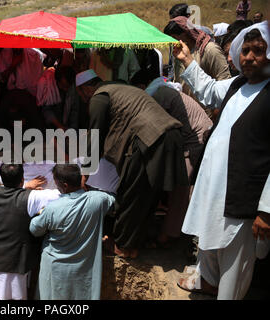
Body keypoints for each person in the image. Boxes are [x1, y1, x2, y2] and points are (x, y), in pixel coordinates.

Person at [173, 22, 270, 299]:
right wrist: (188, 60)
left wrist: (266, 209)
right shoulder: (238, 84)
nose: (249, 57)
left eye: (258, 51)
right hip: (217, 192)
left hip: (245, 201)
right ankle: (208, 282)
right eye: (246, 50)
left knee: (234, 272)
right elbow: (210, 89)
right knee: (210, 244)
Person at [76, 69, 188, 258]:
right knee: (148, 195)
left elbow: (95, 135)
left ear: (86, 89)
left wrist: (85, 172)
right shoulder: (122, 89)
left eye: (80, 94)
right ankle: (137, 242)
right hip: (169, 136)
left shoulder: (99, 97)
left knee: (130, 194)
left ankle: (123, 247)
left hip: (148, 140)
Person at [131, 71, 213, 246]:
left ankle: (168, 235)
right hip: (193, 139)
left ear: (142, 88)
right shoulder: (163, 92)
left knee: (180, 189)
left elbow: (164, 130)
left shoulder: (161, 96)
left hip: (196, 142)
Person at [0, 163, 60, 300]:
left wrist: (25, 186)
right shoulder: (32, 198)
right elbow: (60, 193)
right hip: (11, 265)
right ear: (22, 179)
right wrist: (28, 187)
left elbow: (10, 191)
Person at [29, 164, 115, 300]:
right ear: (81, 178)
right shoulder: (98, 200)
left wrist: (42, 213)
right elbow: (113, 199)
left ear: (64, 185)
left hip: (55, 269)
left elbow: (35, 229)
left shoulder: (52, 208)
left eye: (56, 182)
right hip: (84, 270)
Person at [164, 16, 231, 110]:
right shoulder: (179, 53)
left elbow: (224, 83)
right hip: (187, 111)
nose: (173, 43)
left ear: (186, 33)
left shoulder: (209, 50)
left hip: (207, 112)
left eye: (175, 38)